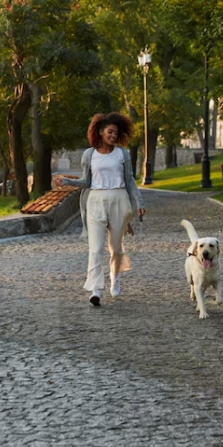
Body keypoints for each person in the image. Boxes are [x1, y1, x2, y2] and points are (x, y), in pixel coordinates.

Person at [53, 112, 146, 306]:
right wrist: (67, 180)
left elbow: (130, 181)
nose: (113, 135)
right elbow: (87, 181)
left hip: (119, 199)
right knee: (95, 248)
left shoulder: (122, 154)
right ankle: (95, 289)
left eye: (116, 133)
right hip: (95, 201)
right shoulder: (90, 154)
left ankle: (115, 276)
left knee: (116, 247)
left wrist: (139, 203)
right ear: (101, 132)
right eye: (110, 132)